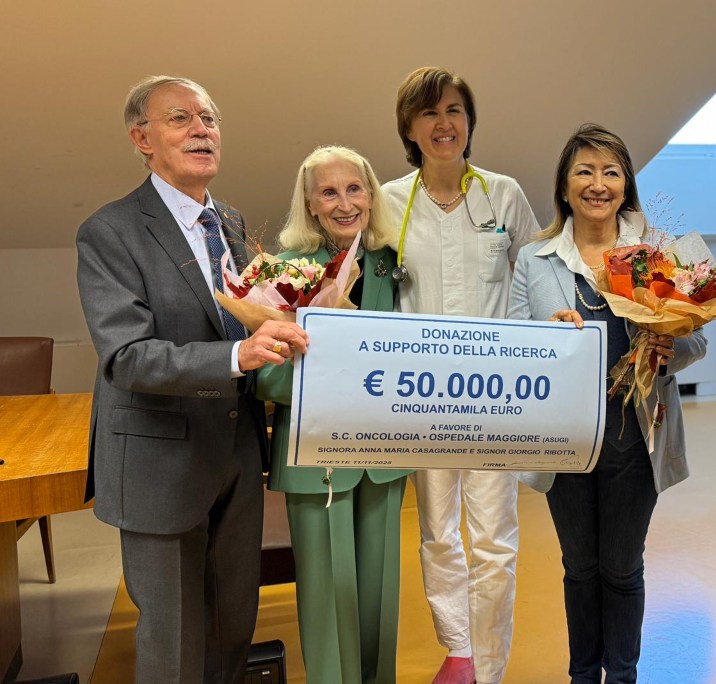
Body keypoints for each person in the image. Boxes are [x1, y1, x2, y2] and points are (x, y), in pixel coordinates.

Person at [76, 75, 309, 683]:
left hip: (236, 455)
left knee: (233, 629)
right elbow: (127, 356)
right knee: (174, 644)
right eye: (180, 118)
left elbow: (246, 315)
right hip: (160, 463)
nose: (202, 130)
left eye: (209, 118)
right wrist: (237, 358)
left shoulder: (229, 221)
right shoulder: (109, 231)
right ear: (142, 139)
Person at [507, 123, 707, 684]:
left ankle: (621, 676)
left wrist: (670, 348)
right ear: (564, 187)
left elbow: (697, 338)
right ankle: (581, 676)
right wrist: (544, 337)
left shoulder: (658, 253)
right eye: (585, 171)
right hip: (564, 438)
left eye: (611, 172)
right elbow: (513, 346)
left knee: (620, 568)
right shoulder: (535, 258)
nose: (598, 184)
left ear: (626, 186)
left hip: (634, 437)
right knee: (578, 567)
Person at [380, 66, 540, 684]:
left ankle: (489, 668)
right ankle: (460, 649)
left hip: (495, 394)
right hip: (421, 396)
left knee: (495, 537)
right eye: (429, 112)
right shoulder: (389, 202)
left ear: (469, 122)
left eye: (454, 110)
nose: (443, 123)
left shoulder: (503, 195)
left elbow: (535, 276)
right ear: (409, 128)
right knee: (437, 531)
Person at [256, 145, 411, 683]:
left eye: (354, 188)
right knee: (326, 598)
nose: (344, 203)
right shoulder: (284, 271)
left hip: (384, 453)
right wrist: (315, 358)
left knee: (379, 598)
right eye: (329, 192)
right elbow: (265, 379)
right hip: (315, 454)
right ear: (310, 204)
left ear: (370, 195)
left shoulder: (393, 264)